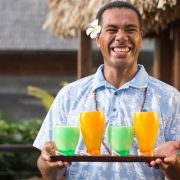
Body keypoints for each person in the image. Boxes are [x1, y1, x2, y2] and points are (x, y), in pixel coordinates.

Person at [33, 1, 180, 179]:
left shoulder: (170, 98)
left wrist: (172, 164)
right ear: (98, 38)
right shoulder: (70, 95)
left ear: (140, 37)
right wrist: (48, 162)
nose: (121, 37)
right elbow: (48, 173)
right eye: (112, 29)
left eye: (130, 30)